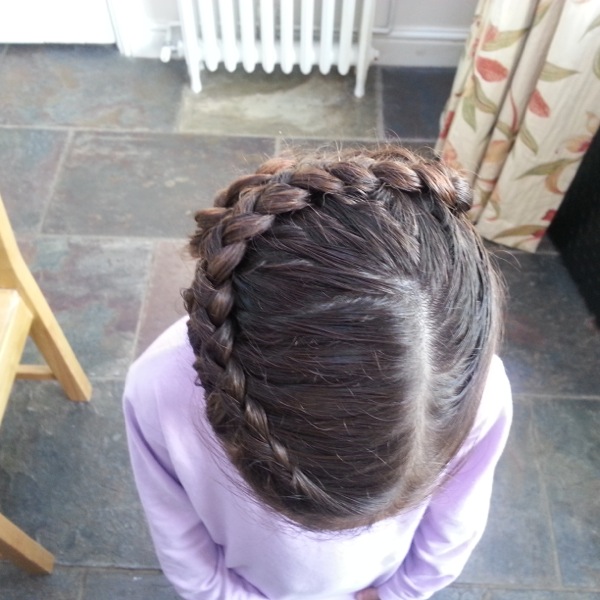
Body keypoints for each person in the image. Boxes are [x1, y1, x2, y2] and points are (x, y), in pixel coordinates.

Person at [123, 145, 512, 600]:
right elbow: (178, 537)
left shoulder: (479, 395)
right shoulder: (158, 393)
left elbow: (456, 522)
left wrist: (400, 592)